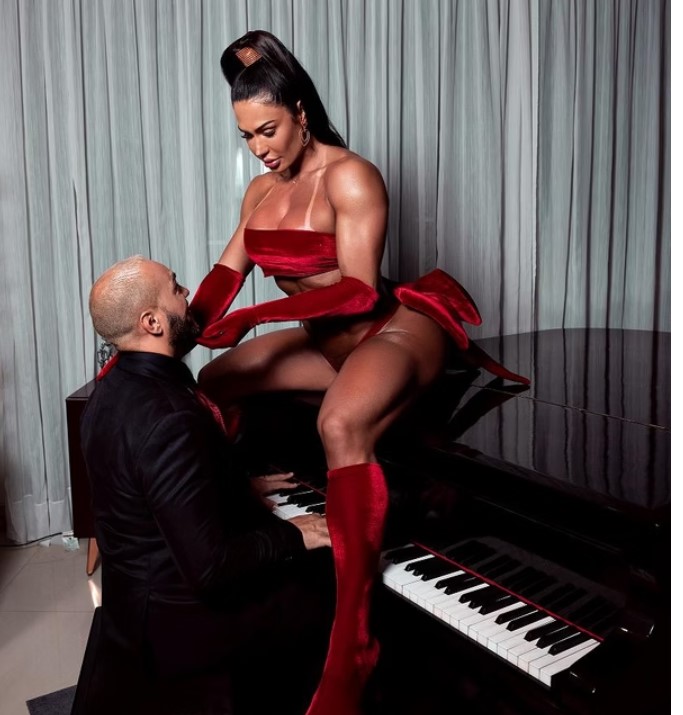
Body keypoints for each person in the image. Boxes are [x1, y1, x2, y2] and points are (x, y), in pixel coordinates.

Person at [191, 30, 529, 715]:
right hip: (327, 344)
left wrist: (255, 317)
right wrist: (166, 340)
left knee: (339, 423)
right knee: (214, 382)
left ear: (299, 112)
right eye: (247, 136)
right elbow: (226, 274)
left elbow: (355, 291)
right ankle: (237, 513)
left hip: (393, 330)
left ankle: (352, 648)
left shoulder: (350, 175)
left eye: (267, 130)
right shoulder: (259, 192)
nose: (258, 148)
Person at [79, 255, 335, 715]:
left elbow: (146, 495)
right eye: (176, 288)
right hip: (181, 628)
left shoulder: (111, 390)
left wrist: (231, 483)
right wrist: (294, 533)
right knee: (325, 589)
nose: (188, 295)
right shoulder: (171, 417)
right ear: (153, 322)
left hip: (133, 607)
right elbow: (211, 567)